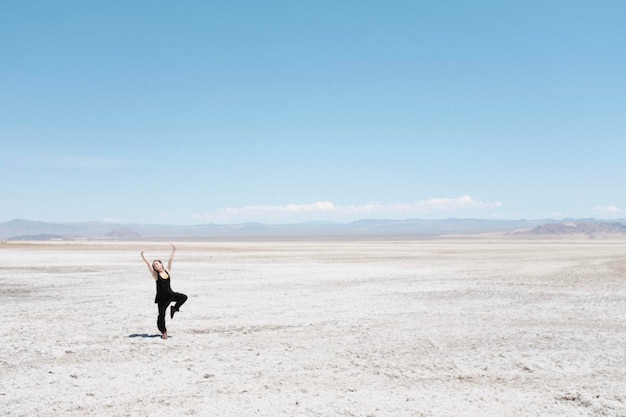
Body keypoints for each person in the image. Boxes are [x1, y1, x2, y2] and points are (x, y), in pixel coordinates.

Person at [141, 243, 188, 339]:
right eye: (154, 265)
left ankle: (174, 308)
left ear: (161, 264)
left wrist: (174, 250)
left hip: (170, 294)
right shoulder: (155, 275)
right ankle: (164, 331)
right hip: (162, 298)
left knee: (184, 297)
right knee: (161, 316)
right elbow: (148, 264)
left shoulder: (167, 271)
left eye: (157, 263)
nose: (156, 265)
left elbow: (170, 260)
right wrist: (143, 255)